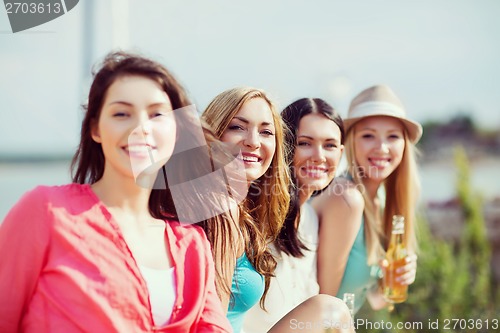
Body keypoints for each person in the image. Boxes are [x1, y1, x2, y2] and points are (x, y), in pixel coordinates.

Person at [0, 51, 231, 333]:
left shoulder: (194, 245)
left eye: (157, 114)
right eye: (122, 114)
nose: (140, 128)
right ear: (96, 128)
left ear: (177, 131)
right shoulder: (46, 211)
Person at [311, 84, 422, 314]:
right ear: (350, 141)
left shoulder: (381, 200)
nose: (382, 148)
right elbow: (322, 307)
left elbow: (370, 300)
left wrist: (392, 284)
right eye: (368, 135)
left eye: (392, 136)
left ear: (404, 145)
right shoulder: (346, 199)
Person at [243, 98, 348, 333]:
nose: (319, 156)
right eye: (305, 143)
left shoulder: (310, 218)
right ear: (284, 145)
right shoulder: (254, 212)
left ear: (341, 153)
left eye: (330, 145)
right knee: (331, 308)